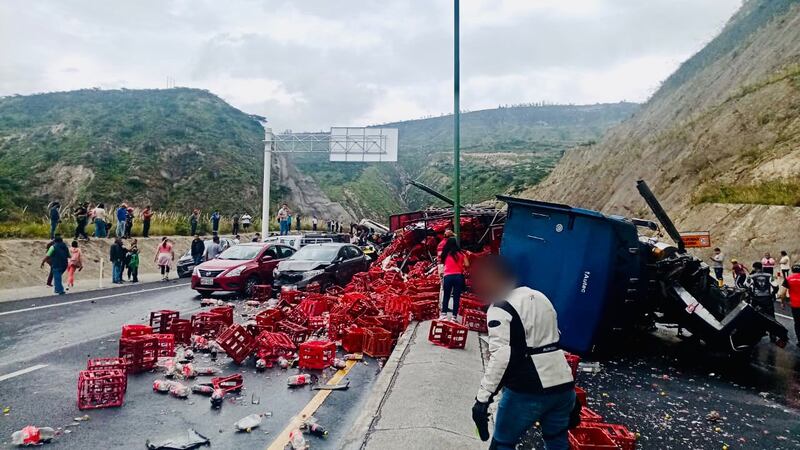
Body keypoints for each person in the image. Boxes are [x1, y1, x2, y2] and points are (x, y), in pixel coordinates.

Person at [470, 255, 576, 450]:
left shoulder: (501, 307)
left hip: (528, 390)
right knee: (556, 441)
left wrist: (482, 398)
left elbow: (501, 355)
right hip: (563, 386)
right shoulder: (540, 296)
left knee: (503, 443)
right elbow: (554, 336)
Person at [440, 237, 469, 320]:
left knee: (446, 295)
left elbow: (442, 263)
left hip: (448, 277)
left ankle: (443, 314)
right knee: (456, 297)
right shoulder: (461, 254)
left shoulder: (445, 254)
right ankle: (454, 317)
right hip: (458, 277)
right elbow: (467, 264)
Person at [747, 262, 777, 341]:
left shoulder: (751, 276)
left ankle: (758, 334)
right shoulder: (769, 275)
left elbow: (746, 286)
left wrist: (751, 295)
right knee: (771, 317)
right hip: (767, 299)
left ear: (754, 268)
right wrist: (772, 294)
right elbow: (776, 286)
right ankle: (773, 335)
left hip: (756, 299)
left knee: (756, 316)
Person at [779, 264, 800, 348]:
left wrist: (782, 302)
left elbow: (782, 293)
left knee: (798, 323)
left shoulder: (788, 279)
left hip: (795, 305)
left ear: (792, 270)